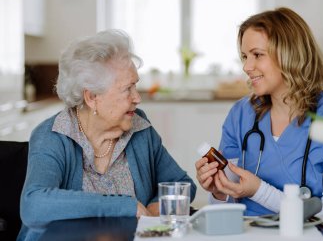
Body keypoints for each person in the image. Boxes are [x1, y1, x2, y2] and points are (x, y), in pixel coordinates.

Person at [18, 29, 196, 240]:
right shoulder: (53, 135)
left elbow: (181, 184)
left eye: (136, 86)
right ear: (92, 97)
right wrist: (125, 206)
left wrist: (154, 210)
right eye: (127, 89)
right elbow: (34, 205)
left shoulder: (139, 128)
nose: (137, 97)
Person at [195, 7, 323, 216]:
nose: (247, 67)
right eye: (245, 56)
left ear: (289, 55)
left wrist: (259, 191)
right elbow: (225, 210)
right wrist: (219, 192)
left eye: (257, 55)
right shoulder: (241, 114)